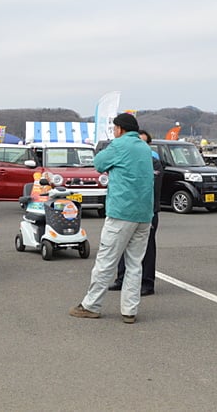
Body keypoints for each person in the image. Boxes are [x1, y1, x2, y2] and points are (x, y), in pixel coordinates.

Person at [69, 113, 153, 324]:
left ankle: (91, 305)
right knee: (135, 264)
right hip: (144, 214)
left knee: (106, 260)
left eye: (115, 128)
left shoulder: (119, 145)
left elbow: (98, 163)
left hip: (121, 212)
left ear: (120, 129)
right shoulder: (144, 147)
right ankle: (129, 310)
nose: (114, 131)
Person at [109, 129, 162, 296]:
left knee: (147, 248)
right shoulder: (128, 161)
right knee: (122, 245)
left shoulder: (154, 162)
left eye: (144, 142)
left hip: (148, 212)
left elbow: (153, 189)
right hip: (127, 211)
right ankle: (121, 278)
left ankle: (147, 283)